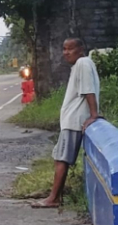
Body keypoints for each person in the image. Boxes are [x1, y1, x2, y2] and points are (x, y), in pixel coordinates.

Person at [31, 38, 100, 208]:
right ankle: (55, 196)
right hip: (71, 120)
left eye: (70, 49)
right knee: (60, 158)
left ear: (81, 49)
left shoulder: (83, 63)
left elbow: (88, 90)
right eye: (64, 49)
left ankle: (53, 198)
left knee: (62, 159)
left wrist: (94, 115)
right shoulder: (81, 65)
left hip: (74, 120)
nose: (66, 53)